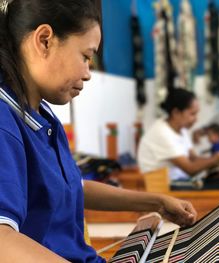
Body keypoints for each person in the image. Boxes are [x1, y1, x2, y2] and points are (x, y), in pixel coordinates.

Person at [0, 1, 197, 262]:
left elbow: (72, 188)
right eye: (85, 56)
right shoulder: (5, 122)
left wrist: (156, 202)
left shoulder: (44, 117)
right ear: (45, 40)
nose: (88, 72)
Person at [137, 89, 219, 183]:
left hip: (181, 181)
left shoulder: (181, 129)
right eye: (192, 114)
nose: (196, 119)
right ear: (176, 113)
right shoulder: (162, 133)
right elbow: (190, 169)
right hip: (166, 188)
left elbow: (194, 159)